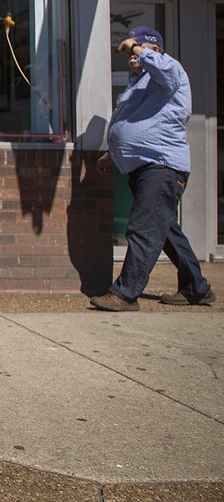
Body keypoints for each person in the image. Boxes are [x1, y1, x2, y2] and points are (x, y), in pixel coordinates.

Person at [90, 26, 214, 311]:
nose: (133, 55)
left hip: (161, 166)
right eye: (132, 51)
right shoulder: (139, 84)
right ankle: (196, 287)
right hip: (145, 167)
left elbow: (165, 72)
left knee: (143, 228)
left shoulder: (169, 70)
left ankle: (125, 294)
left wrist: (137, 48)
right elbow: (136, 123)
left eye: (140, 48)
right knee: (166, 230)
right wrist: (113, 153)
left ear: (156, 50)